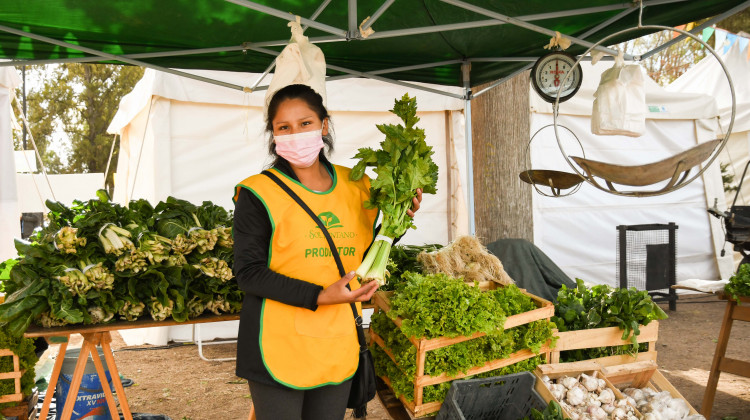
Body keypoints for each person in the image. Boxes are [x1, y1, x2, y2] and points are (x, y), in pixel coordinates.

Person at [232, 82, 422, 420]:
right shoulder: (257, 192)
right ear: (273, 135)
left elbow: (368, 250)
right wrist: (321, 295)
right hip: (277, 344)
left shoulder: (359, 185)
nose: (295, 133)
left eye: (305, 123)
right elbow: (248, 274)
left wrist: (401, 219)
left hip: (338, 340)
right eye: (283, 127)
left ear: (323, 124)